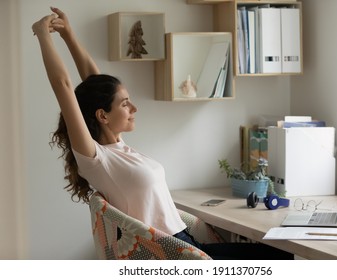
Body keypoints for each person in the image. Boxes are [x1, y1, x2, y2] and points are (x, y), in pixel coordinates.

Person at [32, 7, 293, 260]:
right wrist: (43, 35)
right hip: (172, 255)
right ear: (103, 116)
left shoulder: (117, 145)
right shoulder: (97, 159)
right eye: (125, 104)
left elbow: (95, 83)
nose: (134, 108)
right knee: (281, 260)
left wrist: (69, 35)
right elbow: (63, 86)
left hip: (187, 244)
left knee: (280, 255)